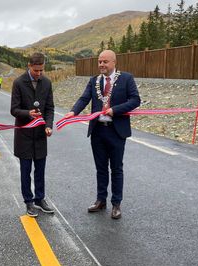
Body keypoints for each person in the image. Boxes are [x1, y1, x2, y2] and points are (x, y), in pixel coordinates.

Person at [64, 50, 140, 219]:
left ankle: (116, 204)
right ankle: (100, 200)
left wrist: (115, 110)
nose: (101, 65)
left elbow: (135, 100)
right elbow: (84, 99)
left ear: (114, 62)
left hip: (116, 131)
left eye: (105, 61)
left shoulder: (126, 79)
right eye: (99, 61)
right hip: (98, 131)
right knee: (100, 168)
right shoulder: (94, 81)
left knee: (116, 168)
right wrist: (73, 112)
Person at [10, 52, 55, 217]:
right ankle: (28, 201)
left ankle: (40, 199)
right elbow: (14, 110)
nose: (39, 73)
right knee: (25, 170)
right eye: (36, 70)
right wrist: (28, 113)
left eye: (41, 70)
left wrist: (48, 126)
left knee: (40, 170)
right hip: (24, 135)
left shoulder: (47, 83)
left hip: (41, 135)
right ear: (29, 66)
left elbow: (50, 108)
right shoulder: (18, 83)